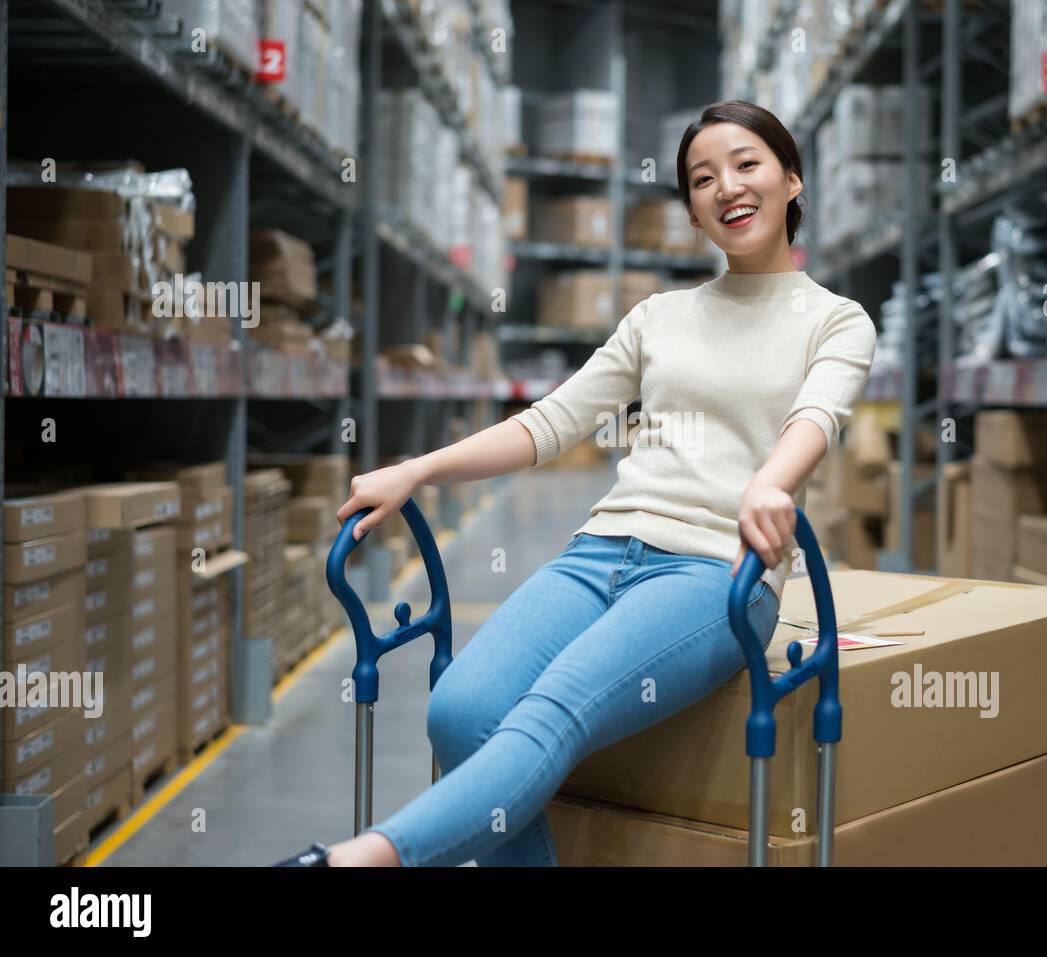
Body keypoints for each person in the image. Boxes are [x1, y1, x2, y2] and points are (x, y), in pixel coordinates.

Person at [273, 100, 876, 867]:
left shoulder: (835, 319)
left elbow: (815, 418)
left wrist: (772, 483)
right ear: (691, 211)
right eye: (701, 178)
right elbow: (550, 423)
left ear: (792, 179)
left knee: (553, 710)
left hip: (716, 570)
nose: (726, 186)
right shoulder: (659, 316)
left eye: (747, 164)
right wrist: (417, 469)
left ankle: (364, 859)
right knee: (461, 710)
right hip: (601, 552)